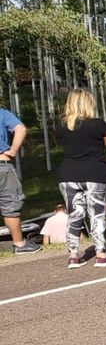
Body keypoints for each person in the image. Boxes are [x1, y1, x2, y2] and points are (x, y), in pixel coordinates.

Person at [57, 88, 106, 269]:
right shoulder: (97, 124)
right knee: (97, 213)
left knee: (74, 214)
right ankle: (101, 254)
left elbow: (61, 144)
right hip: (94, 172)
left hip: (68, 174)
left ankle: (73, 255)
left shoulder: (60, 125)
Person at [0, 106, 40, 253]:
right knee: (10, 206)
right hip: (2, 164)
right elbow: (21, 129)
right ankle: (19, 244)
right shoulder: (2, 114)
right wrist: (13, 150)